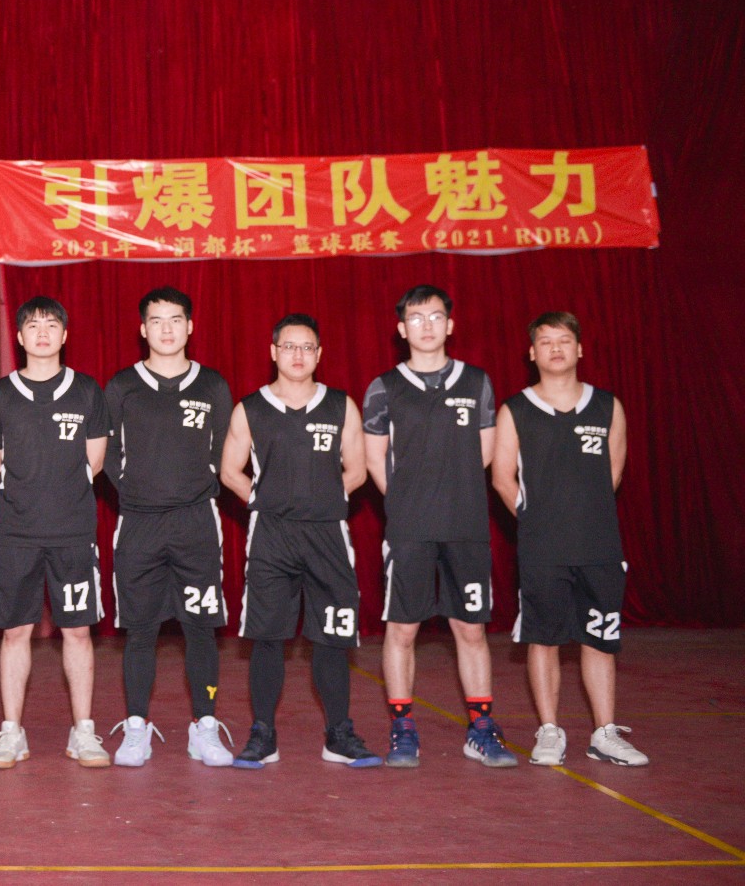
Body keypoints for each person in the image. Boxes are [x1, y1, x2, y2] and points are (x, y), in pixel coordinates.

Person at [363, 285, 515, 768]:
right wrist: (409, 500)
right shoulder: (384, 387)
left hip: (465, 523)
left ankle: (481, 729)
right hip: (409, 527)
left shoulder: (477, 381)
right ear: (401, 328)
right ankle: (403, 728)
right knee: (402, 628)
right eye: (416, 317)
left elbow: (485, 450)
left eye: (434, 317)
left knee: (470, 629)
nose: (426, 325)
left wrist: (451, 490)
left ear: (450, 325)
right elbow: (374, 460)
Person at [220, 314, 380, 769]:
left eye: (307, 347)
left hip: (327, 535)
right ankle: (263, 734)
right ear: (273, 352)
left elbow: (358, 470)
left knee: (332, 637)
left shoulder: (341, 406)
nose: (298, 355)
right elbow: (229, 470)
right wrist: (264, 500)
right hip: (271, 537)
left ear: (319, 354)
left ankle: (338, 734)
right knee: (268, 636)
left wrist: (322, 500)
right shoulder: (250, 408)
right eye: (289, 346)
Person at [491, 312, 647, 767]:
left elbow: (613, 473)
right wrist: (536, 521)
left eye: (564, 340)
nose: (555, 348)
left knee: (600, 637)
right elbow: (502, 477)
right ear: (532, 352)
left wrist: (583, 516)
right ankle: (549, 730)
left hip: (598, 544)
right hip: (543, 547)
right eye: (546, 341)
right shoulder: (516, 409)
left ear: (579, 349)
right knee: (544, 638)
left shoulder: (608, 406)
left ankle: (604, 733)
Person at [102, 287, 237, 769]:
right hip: (139, 524)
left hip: (195, 523)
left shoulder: (212, 385)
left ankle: (205, 725)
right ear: (143, 329)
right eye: (156, 321)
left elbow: (224, 451)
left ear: (190, 326)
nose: (166, 329)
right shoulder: (122, 386)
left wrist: (195, 488)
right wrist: (134, 490)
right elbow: (107, 454)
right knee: (140, 630)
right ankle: (136, 726)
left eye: (175, 320)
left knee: (201, 628)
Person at [0, 296, 112, 769]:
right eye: (32, 325)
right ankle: (11, 732)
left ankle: (84, 731)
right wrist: (22, 504)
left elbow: (95, 460)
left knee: (77, 631)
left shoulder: (87, 391)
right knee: (16, 631)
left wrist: (61, 500)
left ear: (64, 334)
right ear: (18, 336)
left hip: (73, 532)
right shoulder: (0, 395)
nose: (41, 333)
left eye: (51, 325)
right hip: (17, 533)